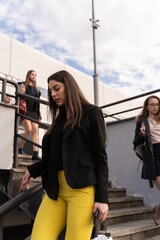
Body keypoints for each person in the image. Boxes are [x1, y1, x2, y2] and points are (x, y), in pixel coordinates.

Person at [21, 70, 109, 240]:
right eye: (50, 91)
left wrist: (102, 198)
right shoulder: (59, 121)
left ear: (69, 86)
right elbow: (56, 156)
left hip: (82, 190)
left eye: (57, 88)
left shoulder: (92, 113)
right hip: (55, 191)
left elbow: (100, 157)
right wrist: (32, 170)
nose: (53, 94)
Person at [133, 95, 160, 190]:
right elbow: (135, 142)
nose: (155, 107)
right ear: (147, 107)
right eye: (152, 105)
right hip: (153, 154)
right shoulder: (142, 120)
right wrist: (142, 133)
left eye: (157, 104)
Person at [18, 70, 41, 160]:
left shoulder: (37, 90)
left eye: (35, 75)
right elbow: (21, 99)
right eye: (32, 74)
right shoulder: (24, 86)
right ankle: (20, 148)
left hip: (34, 112)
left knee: (35, 131)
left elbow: (38, 103)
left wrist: (39, 115)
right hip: (25, 111)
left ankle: (35, 153)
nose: (34, 76)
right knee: (28, 129)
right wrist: (21, 92)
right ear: (28, 75)